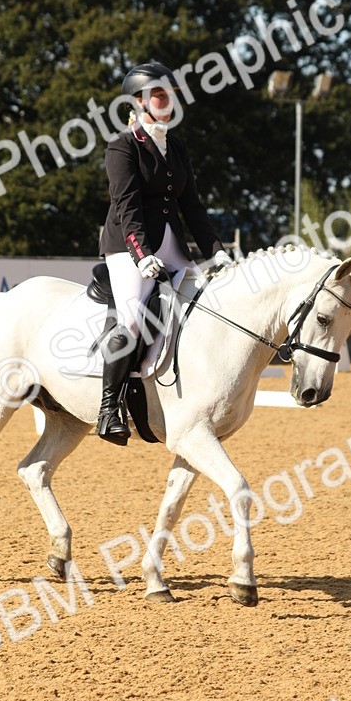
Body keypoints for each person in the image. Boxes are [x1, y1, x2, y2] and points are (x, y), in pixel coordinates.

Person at [96, 59, 233, 445]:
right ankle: (110, 408)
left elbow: (192, 206)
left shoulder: (177, 146)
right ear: (138, 102)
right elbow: (127, 206)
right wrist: (141, 254)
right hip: (127, 247)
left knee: (208, 302)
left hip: (172, 244)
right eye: (159, 95)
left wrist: (215, 252)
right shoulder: (121, 147)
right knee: (134, 316)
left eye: (170, 94)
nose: (166, 101)